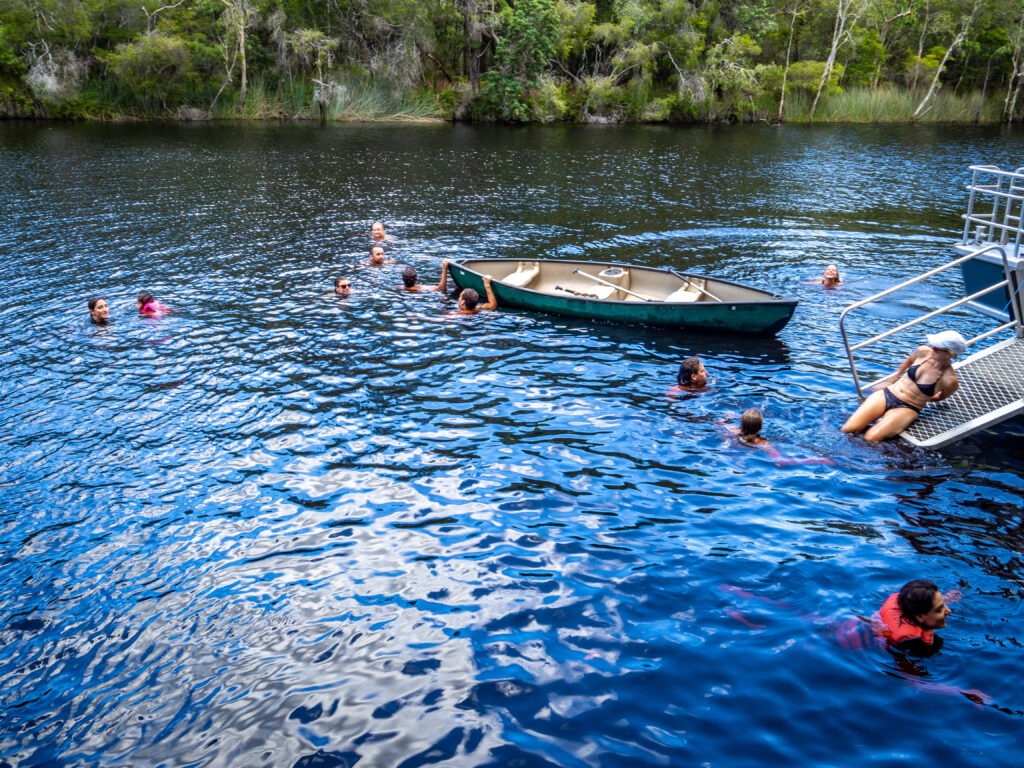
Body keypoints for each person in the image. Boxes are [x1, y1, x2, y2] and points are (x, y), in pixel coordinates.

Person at [841, 330, 966, 443]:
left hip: (907, 408)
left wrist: (924, 398)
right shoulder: (923, 352)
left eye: (936, 348)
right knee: (848, 429)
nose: (931, 347)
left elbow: (941, 397)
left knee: (871, 438)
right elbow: (907, 362)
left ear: (949, 354)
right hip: (887, 394)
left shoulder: (950, 381)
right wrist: (890, 381)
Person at [875, 579, 953, 657]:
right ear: (919, 617)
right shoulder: (910, 643)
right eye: (939, 609)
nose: (949, 611)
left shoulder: (907, 601)